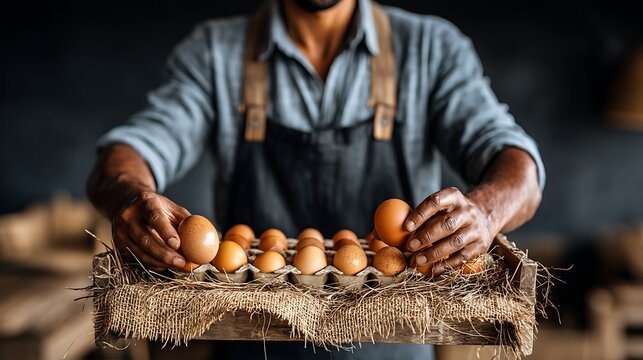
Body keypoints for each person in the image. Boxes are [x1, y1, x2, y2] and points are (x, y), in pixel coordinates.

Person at [87, 0, 545, 358]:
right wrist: (131, 194)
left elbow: (519, 168)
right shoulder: (215, 52)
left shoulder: (430, 48)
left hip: (392, 343)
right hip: (250, 340)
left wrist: (485, 211)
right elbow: (130, 151)